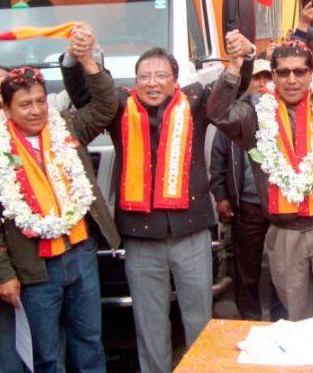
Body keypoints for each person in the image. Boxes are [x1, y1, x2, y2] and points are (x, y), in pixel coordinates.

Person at [61, 28, 254, 373]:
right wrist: (77, 58)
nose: (152, 83)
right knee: (149, 324)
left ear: (175, 80)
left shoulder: (196, 102)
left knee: (199, 319)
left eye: (161, 75)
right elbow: (83, 94)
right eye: (144, 76)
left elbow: (232, 90)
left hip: (190, 234)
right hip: (141, 237)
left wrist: (244, 58)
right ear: (134, 81)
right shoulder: (119, 105)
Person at [0, 29, 120, 373]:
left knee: (89, 342)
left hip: (81, 255)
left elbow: (105, 106)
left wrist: (87, 61)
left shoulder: (67, 126)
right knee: (47, 356)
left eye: (41, 101)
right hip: (34, 268)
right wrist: (2, 274)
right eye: (25, 105)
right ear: (7, 109)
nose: (35, 111)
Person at [208, 38, 313, 321]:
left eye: (299, 72)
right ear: (274, 76)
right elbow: (217, 112)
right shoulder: (255, 114)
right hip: (285, 233)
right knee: (296, 320)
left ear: (312, 74)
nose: (292, 79)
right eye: (283, 72)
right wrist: (235, 66)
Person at [209, 60, 285, 321]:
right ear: (247, 83)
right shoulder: (235, 117)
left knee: (281, 268)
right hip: (248, 206)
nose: (262, 85)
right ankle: (250, 318)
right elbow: (217, 161)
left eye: (267, 79)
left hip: (280, 205)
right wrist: (220, 196)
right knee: (247, 269)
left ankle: (280, 319)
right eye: (256, 79)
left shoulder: (284, 113)